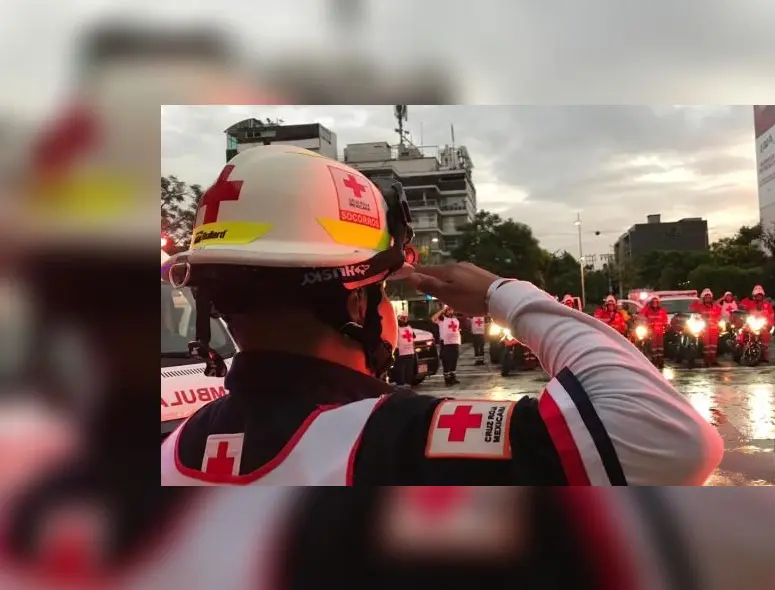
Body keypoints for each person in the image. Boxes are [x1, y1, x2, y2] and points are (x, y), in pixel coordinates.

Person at [160, 145, 722, 485]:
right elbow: (673, 440)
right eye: (382, 291)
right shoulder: (394, 438)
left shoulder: (171, 452)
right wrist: (505, 294)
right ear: (355, 303)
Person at [739, 285, 775, 362]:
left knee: (765, 339)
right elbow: (742, 308)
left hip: (763, 325)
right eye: (757, 296)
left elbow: (772, 315)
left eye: (760, 296)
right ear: (754, 296)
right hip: (751, 323)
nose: (758, 297)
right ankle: (739, 347)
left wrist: (771, 324)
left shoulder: (767, 305)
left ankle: (764, 356)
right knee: (742, 333)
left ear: (763, 296)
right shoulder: (749, 303)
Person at [689, 289, 723, 366]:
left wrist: (719, 321)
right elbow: (691, 308)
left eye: (709, 297)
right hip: (705, 329)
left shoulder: (715, 306)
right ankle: (707, 360)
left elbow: (719, 315)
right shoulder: (700, 306)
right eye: (706, 298)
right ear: (703, 299)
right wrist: (699, 301)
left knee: (714, 346)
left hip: (714, 328)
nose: (708, 299)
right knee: (706, 346)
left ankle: (713, 359)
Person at [431, 304, 462, 385]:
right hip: (445, 343)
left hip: (454, 343)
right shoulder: (442, 319)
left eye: (451, 309)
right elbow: (433, 319)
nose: (450, 311)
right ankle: (447, 379)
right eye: (448, 310)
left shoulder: (455, 319)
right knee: (446, 361)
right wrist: (442, 310)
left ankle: (453, 377)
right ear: (445, 311)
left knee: (454, 360)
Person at [393, 313, 416, 386]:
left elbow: (413, 337)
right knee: (404, 370)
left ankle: (404, 385)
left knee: (404, 371)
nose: (405, 320)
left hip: (405, 352)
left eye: (405, 318)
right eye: (403, 318)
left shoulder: (400, 328)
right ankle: (404, 385)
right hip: (406, 352)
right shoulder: (407, 327)